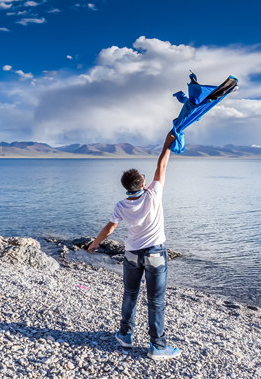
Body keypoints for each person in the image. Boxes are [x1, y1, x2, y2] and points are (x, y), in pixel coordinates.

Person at [87, 130, 182, 360]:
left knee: (130, 294)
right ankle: (158, 346)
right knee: (155, 300)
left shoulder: (121, 205)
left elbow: (110, 228)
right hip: (156, 253)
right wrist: (167, 144)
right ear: (143, 183)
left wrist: (94, 244)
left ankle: (125, 335)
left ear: (126, 187)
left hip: (131, 254)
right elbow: (162, 166)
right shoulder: (153, 194)